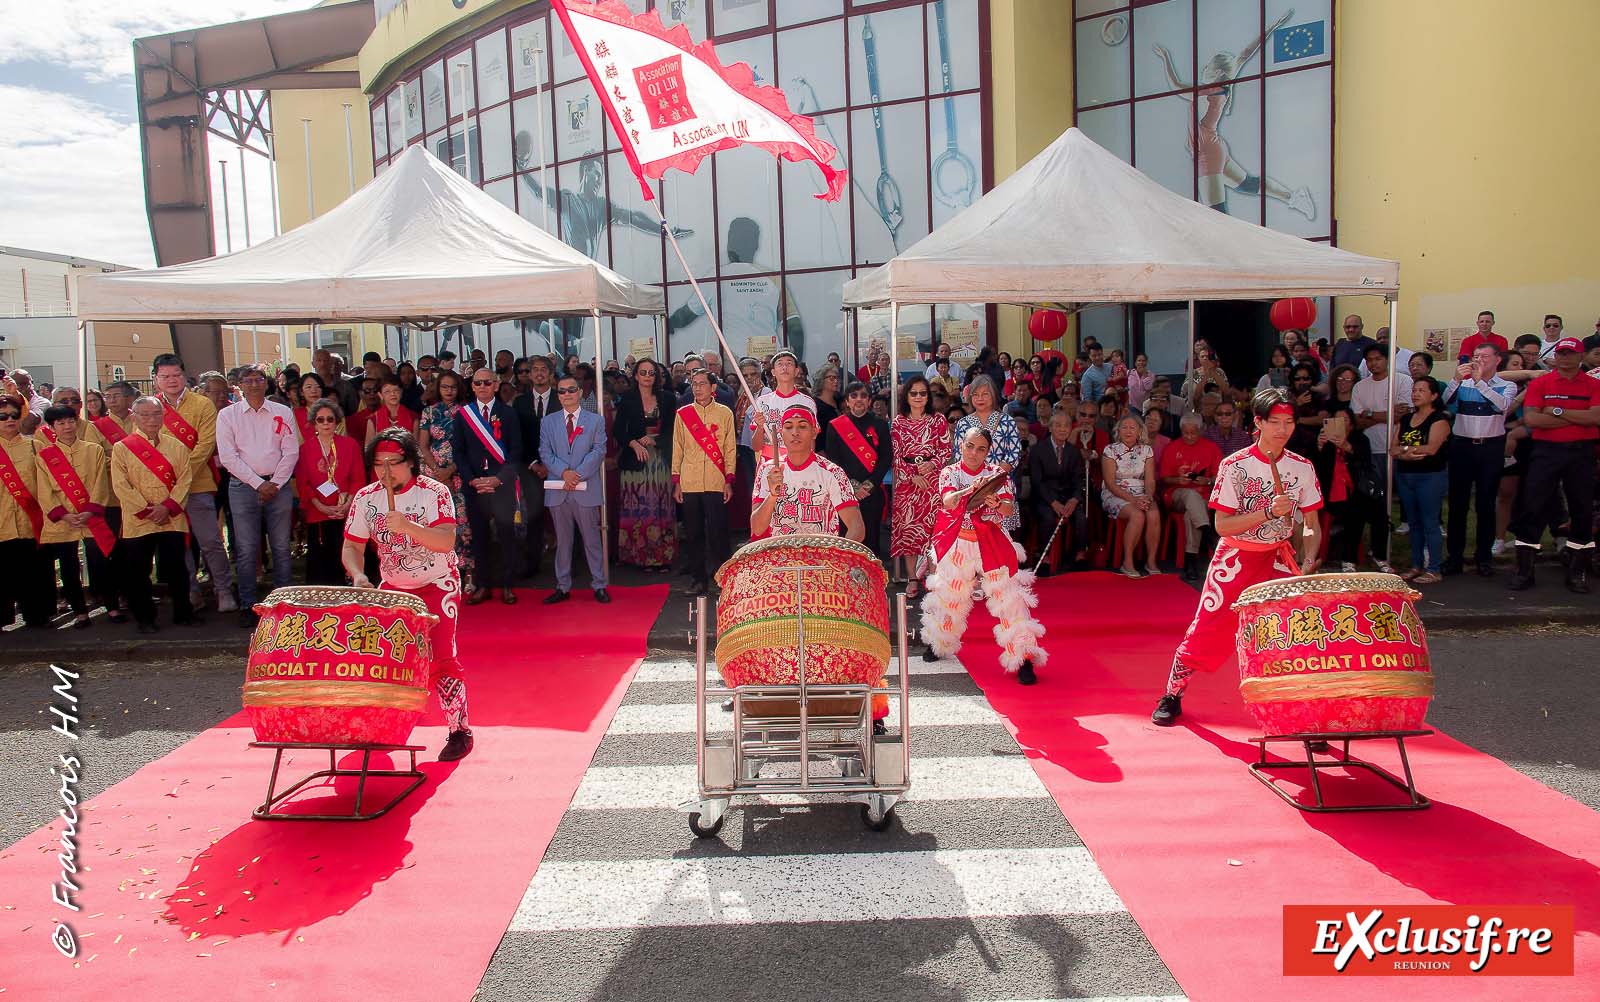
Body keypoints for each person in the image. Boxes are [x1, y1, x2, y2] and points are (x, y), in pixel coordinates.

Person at [1152, 388, 1323, 726]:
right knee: (1207, 627)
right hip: (1237, 557)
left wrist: (1307, 561)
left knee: (1292, 634)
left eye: (1289, 422)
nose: (1283, 429)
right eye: (1275, 422)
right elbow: (1223, 524)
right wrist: (1266, 513)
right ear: (1258, 423)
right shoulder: (1235, 466)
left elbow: (1311, 524)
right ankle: (1172, 693)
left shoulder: (1302, 467)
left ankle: (1299, 711)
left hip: (1277, 558)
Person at [342, 429, 474, 761]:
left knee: (442, 656)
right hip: (393, 588)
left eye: (393, 463)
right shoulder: (366, 498)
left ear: (411, 463)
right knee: (385, 660)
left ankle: (459, 729)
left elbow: (445, 541)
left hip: (437, 583)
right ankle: (383, 727)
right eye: (378, 465)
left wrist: (408, 527)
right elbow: (352, 546)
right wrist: (358, 574)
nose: (385, 472)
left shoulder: (434, 493)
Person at [920, 427, 1048, 684]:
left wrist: (997, 504)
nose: (974, 453)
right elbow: (948, 501)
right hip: (959, 542)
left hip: (991, 542)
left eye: (981, 449)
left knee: (1009, 599)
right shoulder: (951, 472)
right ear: (961, 445)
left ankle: (1022, 658)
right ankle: (939, 643)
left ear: (988, 451)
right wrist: (972, 492)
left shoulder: (997, 475)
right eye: (970, 446)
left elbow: (1009, 507)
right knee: (949, 596)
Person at [1508, 337, 1600, 592]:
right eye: (1561, 354)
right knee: (1533, 506)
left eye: (1570, 354)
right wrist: (1577, 419)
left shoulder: (1593, 384)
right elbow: (1533, 419)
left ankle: (1577, 573)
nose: (1564, 358)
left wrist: (1557, 411)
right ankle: (1524, 571)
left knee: (1581, 509)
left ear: (1581, 356)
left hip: (1581, 453)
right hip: (1546, 452)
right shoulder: (1541, 383)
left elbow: (1596, 417)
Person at [215, 363, 299, 627]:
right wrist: (257, 484)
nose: (253, 384)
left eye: (258, 379)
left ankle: (284, 604)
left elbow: (291, 451)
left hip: (279, 485)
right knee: (246, 548)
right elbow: (228, 457)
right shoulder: (228, 415)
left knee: (281, 546)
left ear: (266, 382)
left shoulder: (282, 411)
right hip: (243, 487)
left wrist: (274, 483)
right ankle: (247, 603)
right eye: (248, 380)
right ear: (239, 385)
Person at [152, 352, 236, 612]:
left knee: (210, 540)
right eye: (165, 376)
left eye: (176, 375)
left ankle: (223, 590)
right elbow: (146, 446)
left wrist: (181, 472)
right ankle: (190, 590)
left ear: (184, 375)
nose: (171, 380)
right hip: (164, 487)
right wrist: (168, 476)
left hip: (198, 484)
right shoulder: (149, 407)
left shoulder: (202, 404)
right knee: (179, 544)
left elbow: (206, 444)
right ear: (156, 379)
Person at [112, 396, 198, 633]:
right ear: (135, 417)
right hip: (138, 519)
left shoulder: (177, 446)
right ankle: (145, 617)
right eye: (145, 415)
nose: (151, 419)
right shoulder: (122, 448)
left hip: (171, 517)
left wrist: (167, 507)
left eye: (156, 414)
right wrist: (147, 510)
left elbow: (184, 480)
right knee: (139, 571)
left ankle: (183, 612)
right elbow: (121, 485)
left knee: (177, 568)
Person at [1442, 343, 1516, 576]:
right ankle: (1454, 557)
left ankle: (1483, 558)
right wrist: (1456, 379)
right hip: (1462, 445)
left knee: (1485, 504)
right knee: (1457, 505)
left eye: (1485, 356)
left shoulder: (1507, 385)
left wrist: (1480, 382)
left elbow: (1502, 406)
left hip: (1490, 448)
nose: (1479, 360)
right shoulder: (1461, 384)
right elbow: (1445, 403)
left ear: (1497, 360)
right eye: (1476, 356)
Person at [33, 405, 110, 629]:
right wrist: (64, 515)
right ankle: (79, 611)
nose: (67, 427)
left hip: (91, 515)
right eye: (61, 423)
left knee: (100, 559)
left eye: (70, 421)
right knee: (68, 565)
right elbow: (44, 491)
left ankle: (110, 604)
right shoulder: (44, 456)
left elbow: (100, 483)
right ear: (52, 427)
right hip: (63, 519)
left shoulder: (93, 449)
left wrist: (91, 509)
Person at [453, 365, 523, 605]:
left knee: (506, 535)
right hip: (475, 486)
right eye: (478, 383)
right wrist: (472, 479)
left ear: (495, 385)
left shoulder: (508, 413)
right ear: (472, 386)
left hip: (500, 485)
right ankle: (483, 584)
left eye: (487, 382)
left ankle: (507, 584)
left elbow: (516, 452)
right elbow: (459, 452)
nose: (483, 387)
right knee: (480, 536)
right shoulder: (464, 415)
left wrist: (499, 478)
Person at [541, 374, 609, 604]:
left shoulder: (595, 421)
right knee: (563, 541)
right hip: (559, 489)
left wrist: (577, 473)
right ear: (557, 394)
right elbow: (545, 452)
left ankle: (599, 584)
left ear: (580, 392)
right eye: (562, 391)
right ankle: (563, 586)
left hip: (585, 488)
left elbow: (599, 451)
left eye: (571, 390)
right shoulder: (547, 421)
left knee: (592, 540)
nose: (567, 394)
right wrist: (564, 473)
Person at [751, 405, 866, 541]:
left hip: (821, 557)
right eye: (788, 427)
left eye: (803, 426)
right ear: (781, 433)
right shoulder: (767, 470)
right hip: (782, 556)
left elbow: (856, 527)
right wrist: (772, 495)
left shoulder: (832, 473)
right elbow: (757, 529)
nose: (795, 432)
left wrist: (839, 557)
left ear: (815, 432)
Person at [672, 368, 736, 596]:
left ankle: (723, 579)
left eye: (702, 383)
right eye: (694, 383)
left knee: (719, 532)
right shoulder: (683, 414)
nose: (697, 387)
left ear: (713, 387)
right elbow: (677, 448)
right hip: (690, 481)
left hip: (716, 481)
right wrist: (677, 481)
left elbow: (730, 449)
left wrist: (729, 479)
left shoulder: (725, 413)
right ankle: (698, 579)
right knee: (694, 532)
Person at [1351, 345, 1411, 570]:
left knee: (1399, 498)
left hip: (1397, 448)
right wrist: (1387, 414)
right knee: (1374, 503)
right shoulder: (1360, 387)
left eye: (1378, 359)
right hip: (1371, 451)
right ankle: (1376, 550)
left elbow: (1403, 413)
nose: (1374, 363)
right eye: (1370, 360)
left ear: (1387, 360)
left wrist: (1370, 414)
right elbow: (1357, 420)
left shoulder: (1402, 381)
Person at [613, 359, 677, 571]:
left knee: (661, 507)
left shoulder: (667, 399)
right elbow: (619, 430)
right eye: (643, 372)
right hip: (635, 461)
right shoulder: (627, 399)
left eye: (651, 373)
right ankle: (640, 557)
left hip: (660, 460)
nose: (647, 376)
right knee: (639, 508)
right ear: (636, 376)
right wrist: (634, 444)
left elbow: (673, 431)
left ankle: (662, 557)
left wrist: (655, 441)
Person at [890, 376, 950, 597]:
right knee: (909, 532)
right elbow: (896, 456)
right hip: (908, 485)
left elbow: (946, 449)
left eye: (922, 393)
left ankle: (934, 578)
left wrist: (932, 464)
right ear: (906, 396)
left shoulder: (938, 420)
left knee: (933, 530)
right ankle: (912, 578)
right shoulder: (898, 422)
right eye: (913, 393)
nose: (918, 397)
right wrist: (911, 476)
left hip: (932, 482)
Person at [294, 399, 364, 585]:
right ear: (314, 423)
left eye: (330, 419)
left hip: (345, 511)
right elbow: (303, 483)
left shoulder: (350, 445)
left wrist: (348, 503)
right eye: (320, 419)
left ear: (337, 421)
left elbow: (358, 478)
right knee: (320, 564)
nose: (326, 423)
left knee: (343, 557)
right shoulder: (305, 449)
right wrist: (321, 506)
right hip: (318, 512)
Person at [1392, 377, 1451, 584]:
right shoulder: (1406, 419)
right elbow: (1393, 448)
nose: (1416, 394)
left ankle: (1434, 567)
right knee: (1413, 522)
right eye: (1414, 390)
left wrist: (1405, 451)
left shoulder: (1439, 420)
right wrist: (1405, 454)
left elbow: (1432, 448)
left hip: (1429, 476)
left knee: (1430, 522)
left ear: (1434, 395)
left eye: (1421, 390)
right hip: (1406, 475)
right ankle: (1416, 564)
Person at [0, 394, 51, 628]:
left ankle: (38, 616)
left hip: (31, 522)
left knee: (34, 573)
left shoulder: (34, 445)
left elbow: (50, 483)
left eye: (14, 414)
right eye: (3, 416)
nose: (9, 420)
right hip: (2, 523)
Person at [826, 381, 892, 559]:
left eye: (863, 395)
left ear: (869, 400)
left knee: (872, 538)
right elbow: (833, 460)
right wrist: (853, 486)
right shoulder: (835, 425)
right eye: (854, 396)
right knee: (847, 538)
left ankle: (872, 580)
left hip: (872, 491)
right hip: (845, 492)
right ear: (847, 401)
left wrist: (869, 485)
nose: (859, 400)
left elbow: (886, 457)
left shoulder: (879, 424)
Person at [1311, 409, 1380, 573]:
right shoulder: (1326, 441)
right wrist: (1320, 446)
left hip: (1356, 491)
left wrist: (1346, 446)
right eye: (1337, 420)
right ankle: (1316, 557)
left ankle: (1350, 559)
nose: (1341, 424)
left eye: (1345, 420)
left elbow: (1365, 462)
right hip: (1330, 493)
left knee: (1358, 513)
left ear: (1352, 424)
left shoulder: (1360, 439)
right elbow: (1317, 468)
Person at [952, 376, 1023, 534]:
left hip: (1000, 483)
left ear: (994, 395)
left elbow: (1013, 454)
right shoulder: (963, 423)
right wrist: (977, 478)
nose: (980, 398)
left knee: (1000, 534)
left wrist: (992, 477)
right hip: (971, 484)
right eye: (975, 395)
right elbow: (959, 454)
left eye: (985, 394)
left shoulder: (1007, 421)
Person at [1160, 413, 1224, 582]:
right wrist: (1178, 480)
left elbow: (1220, 477)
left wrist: (1208, 480)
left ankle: (1191, 562)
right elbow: (1164, 478)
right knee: (1190, 495)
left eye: (1193, 433)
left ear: (1201, 430)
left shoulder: (1212, 448)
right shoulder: (1172, 448)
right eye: (1185, 433)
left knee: (1192, 511)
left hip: (1203, 497)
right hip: (1177, 494)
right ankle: (1208, 533)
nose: (1189, 437)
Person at [511, 357, 556, 579]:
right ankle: (533, 563)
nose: (539, 373)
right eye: (535, 370)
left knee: (563, 515)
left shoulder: (562, 398)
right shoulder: (519, 402)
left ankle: (568, 563)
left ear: (550, 374)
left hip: (558, 467)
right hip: (530, 467)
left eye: (543, 370)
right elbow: (517, 437)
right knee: (534, 515)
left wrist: (552, 464)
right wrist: (533, 463)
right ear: (529, 375)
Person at [1101, 415, 1161, 578]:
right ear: (1118, 431)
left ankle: (1151, 561)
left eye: (1132, 427)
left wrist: (1148, 497)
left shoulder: (1147, 450)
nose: (1128, 431)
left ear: (1140, 431)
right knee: (1137, 515)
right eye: (1124, 427)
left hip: (1141, 493)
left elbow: (1149, 480)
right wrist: (1134, 500)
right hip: (1116, 493)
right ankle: (1127, 561)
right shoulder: (1110, 450)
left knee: (1154, 513)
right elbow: (1110, 483)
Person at [1029, 411, 1087, 575]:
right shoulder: (1038, 450)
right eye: (1058, 425)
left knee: (1080, 517)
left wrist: (1074, 499)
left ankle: (1080, 555)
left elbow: (1078, 479)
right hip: (1044, 498)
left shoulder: (1073, 451)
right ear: (1050, 427)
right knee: (1047, 517)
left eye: (1067, 425)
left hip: (1067, 496)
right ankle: (1045, 557)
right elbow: (1037, 482)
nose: (1063, 429)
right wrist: (1053, 503)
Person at [749, 350, 812, 460]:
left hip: (798, 461)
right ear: (773, 371)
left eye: (789, 363)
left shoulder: (807, 402)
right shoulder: (762, 402)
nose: (784, 367)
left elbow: (811, 441)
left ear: (796, 371)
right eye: (780, 364)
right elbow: (756, 446)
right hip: (769, 463)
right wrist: (759, 427)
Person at [364, 374, 416, 446]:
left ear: (401, 392)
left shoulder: (413, 418)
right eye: (387, 391)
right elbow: (368, 449)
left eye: (396, 390)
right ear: (380, 395)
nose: (392, 394)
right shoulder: (373, 419)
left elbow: (417, 448)